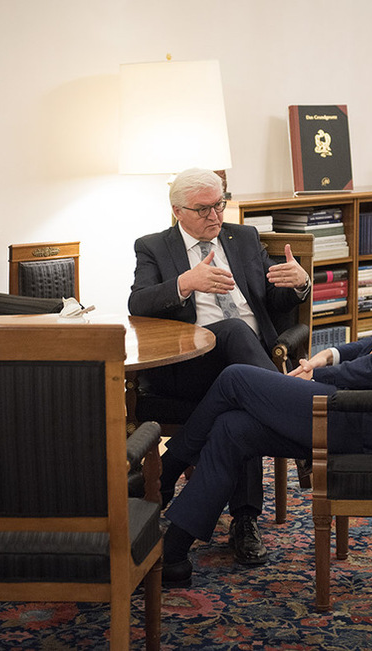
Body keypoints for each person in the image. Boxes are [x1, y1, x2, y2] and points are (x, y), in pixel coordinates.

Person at [158, 185, 372, 587]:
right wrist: (328, 356)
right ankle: (172, 555)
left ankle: (165, 472)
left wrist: (316, 377)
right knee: (234, 427)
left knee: (236, 378)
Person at [128, 167, 311, 567]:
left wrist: (299, 284)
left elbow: (275, 305)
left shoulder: (243, 238)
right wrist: (186, 282)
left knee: (241, 404)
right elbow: (138, 304)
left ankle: (242, 519)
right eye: (204, 209)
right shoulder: (154, 247)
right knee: (230, 331)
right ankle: (297, 414)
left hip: (244, 367)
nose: (215, 216)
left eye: (220, 205)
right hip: (189, 365)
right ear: (178, 211)